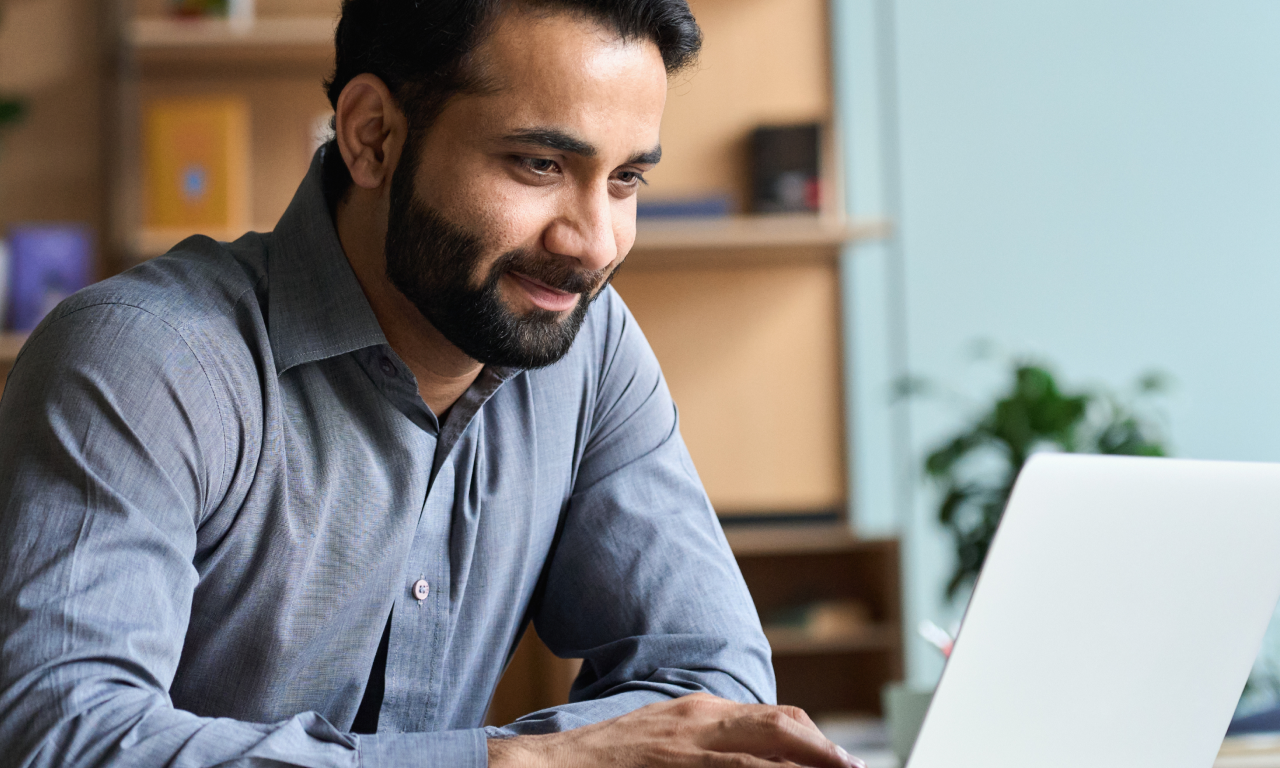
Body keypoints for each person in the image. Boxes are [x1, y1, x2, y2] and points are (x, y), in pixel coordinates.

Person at [0, 1, 865, 767]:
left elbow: (716, 688)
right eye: (539, 164)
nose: (595, 244)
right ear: (372, 135)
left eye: (626, 179)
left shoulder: (590, 347)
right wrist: (521, 764)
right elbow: (62, 741)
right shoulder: (144, 360)